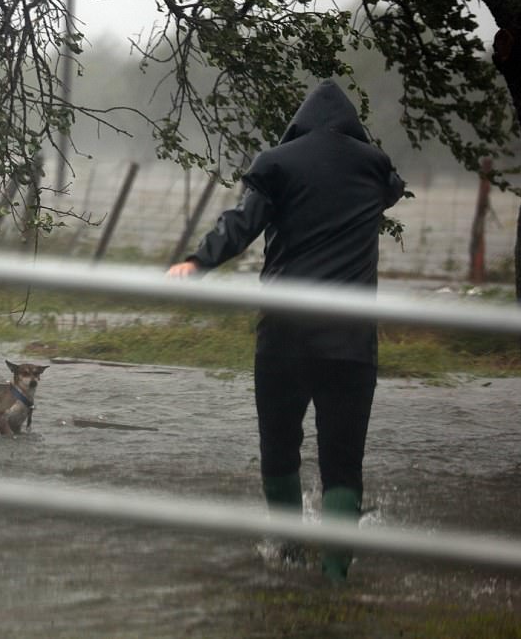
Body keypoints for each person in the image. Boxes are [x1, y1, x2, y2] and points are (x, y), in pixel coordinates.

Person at [167, 78, 405, 582]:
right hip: (351, 342)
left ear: (298, 126)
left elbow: (242, 222)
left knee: (279, 446)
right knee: (343, 461)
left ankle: (288, 556)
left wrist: (198, 263)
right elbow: (393, 191)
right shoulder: (374, 167)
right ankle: (337, 576)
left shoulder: (277, 163)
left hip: (284, 337)